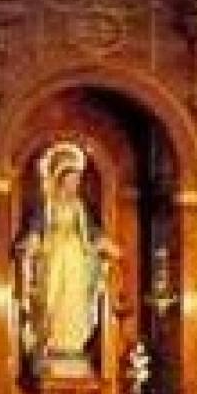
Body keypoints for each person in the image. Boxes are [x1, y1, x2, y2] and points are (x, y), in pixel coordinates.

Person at [14, 140, 118, 377]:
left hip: (77, 264)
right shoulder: (47, 206)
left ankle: (72, 346)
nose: (74, 185)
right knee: (52, 300)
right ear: (58, 178)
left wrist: (106, 245)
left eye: (77, 181)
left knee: (75, 303)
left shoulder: (80, 207)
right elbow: (35, 231)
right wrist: (31, 244)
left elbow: (93, 233)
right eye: (69, 180)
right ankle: (51, 343)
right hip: (52, 262)